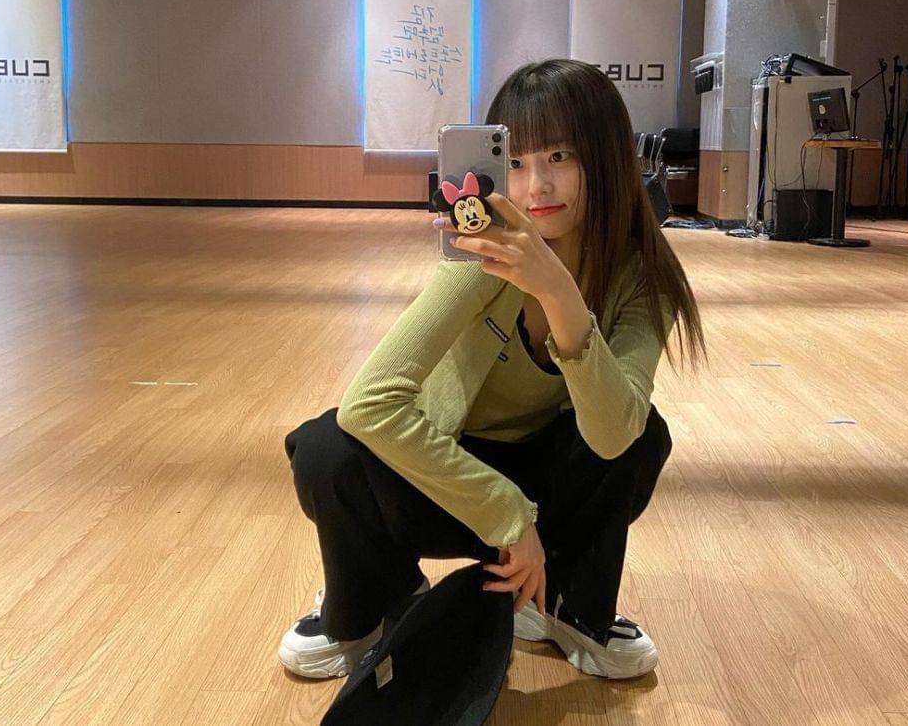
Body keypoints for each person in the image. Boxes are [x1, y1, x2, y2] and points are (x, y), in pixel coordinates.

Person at [279, 58, 707, 681]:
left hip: (553, 488)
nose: (537, 186)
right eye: (517, 160)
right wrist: (507, 512)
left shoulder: (641, 274)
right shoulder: (483, 255)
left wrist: (558, 293)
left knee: (644, 431)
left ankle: (565, 603)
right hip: (452, 480)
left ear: (607, 158)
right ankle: (380, 594)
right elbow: (369, 404)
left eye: (560, 156)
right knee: (326, 452)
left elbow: (615, 436)